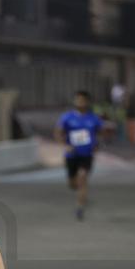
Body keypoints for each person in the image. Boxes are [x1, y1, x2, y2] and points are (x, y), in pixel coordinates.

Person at [55, 91, 104, 220]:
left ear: (87, 102)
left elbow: (101, 133)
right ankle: (78, 189)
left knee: (82, 178)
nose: (80, 102)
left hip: (86, 155)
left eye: (82, 100)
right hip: (71, 155)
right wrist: (65, 145)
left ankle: (80, 207)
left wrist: (97, 144)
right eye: (77, 100)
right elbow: (58, 133)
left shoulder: (94, 118)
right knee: (73, 184)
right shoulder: (67, 117)